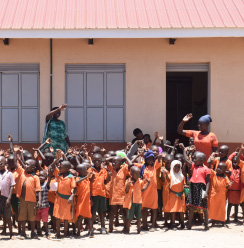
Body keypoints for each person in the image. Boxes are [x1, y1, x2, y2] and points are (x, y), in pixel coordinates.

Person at [180, 144, 210, 230]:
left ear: (201, 160)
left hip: (202, 188)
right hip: (193, 186)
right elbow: (185, 159)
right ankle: (189, 224)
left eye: (195, 158)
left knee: (204, 207)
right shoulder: (194, 166)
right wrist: (184, 150)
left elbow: (208, 182)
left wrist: (206, 193)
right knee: (192, 207)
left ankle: (206, 224)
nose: (193, 159)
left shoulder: (206, 169)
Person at [14, 154, 41, 239]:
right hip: (22, 199)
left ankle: (33, 232)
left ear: (33, 168)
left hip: (32, 200)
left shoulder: (35, 177)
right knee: (22, 217)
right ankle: (23, 232)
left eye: (27, 164)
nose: (25, 165)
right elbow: (15, 163)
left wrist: (39, 201)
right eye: (24, 164)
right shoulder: (22, 172)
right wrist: (15, 153)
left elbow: (38, 190)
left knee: (32, 217)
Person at [50, 151, 76, 238]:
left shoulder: (71, 177)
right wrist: (57, 158)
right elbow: (52, 166)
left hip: (66, 199)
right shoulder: (59, 175)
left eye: (61, 167)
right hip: (58, 198)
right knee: (57, 216)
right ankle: (58, 233)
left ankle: (65, 233)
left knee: (65, 217)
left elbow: (74, 188)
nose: (59, 168)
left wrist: (72, 197)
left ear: (67, 169)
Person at [107, 155, 132, 233]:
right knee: (111, 212)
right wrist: (113, 157)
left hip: (122, 195)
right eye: (113, 162)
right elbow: (106, 160)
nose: (113, 163)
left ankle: (126, 228)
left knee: (124, 212)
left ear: (121, 163)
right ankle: (110, 227)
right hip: (113, 195)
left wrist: (126, 158)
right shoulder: (112, 169)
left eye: (116, 162)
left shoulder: (124, 169)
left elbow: (131, 165)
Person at [124, 166, 150, 234]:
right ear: (131, 174)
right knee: (129, 217)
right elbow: (126, 191)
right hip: (131, 202)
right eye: (136, 174)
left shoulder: (140, 181)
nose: (138, 175)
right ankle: (127, 230)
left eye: (139, 174)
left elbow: (143, 189)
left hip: (138, 202)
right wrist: (128, 186)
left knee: (139, 217)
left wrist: (148, 183)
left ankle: (139, 230)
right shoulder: (128, 181)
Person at [89, 153, 111, 234]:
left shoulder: (104, 170)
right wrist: (93, 177)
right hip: (93, 194)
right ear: (92, 161)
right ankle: (91, 229)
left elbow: (105, 181)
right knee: (92, 212)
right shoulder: (90, 170)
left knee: (102, 212)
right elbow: (89, 181)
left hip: (102, 194)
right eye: (95, 160)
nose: (97, 162)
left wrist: (109, 176)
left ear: (101, 161)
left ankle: (103, 227)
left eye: (99, 160)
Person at [141, 150, 161, 231]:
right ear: (146, 159)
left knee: (154, 208)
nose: (150, 161)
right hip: (145, 191)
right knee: (144, 208)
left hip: (153, 191)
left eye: (152, 159)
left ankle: (153, 225)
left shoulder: (154, 166)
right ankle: (144, 224)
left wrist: (157, 155)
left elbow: (159, 159)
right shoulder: (143, 167)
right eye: (148, 159)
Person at [164, 160, 186, 230]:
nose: (176, 168)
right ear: (172, 167)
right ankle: (173, 224)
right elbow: (168, 179)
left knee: (181, 210)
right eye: (175, 167)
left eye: (178, 167)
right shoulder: (170, 175)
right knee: (173, 210)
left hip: (181, 195)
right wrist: (165, 173)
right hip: (173, 195)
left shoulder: (182, 176)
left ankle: (182, 223)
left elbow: (184, 184)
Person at [75, 163, 94, 238]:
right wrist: (86, 177)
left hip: (87, 200)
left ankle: (91, 230)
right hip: (81, 200)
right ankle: (78, 231)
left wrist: (91, 199)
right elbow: (76, 182)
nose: (87, 170)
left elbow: (88, 190)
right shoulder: (78, 178)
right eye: (85, 169)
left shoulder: (87, 179)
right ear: (80, 171)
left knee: (89, 216)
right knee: (80, 216)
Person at [0, 156, 15, 239]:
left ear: (5, 163)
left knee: (8, 216)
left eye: (1, 163)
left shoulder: (9, 174)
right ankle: (3, 231)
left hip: (5, 197)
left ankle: (11, 234)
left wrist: (9, 198)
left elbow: (12, 186)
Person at [36, 170, 52, 237]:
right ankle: (39, 230)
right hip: (37, 206)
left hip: (45, 205)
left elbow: (49, 181)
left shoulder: (46, 184)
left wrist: (50, 175)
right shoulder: (36, 184)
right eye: (39, 176)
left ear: (46, 177)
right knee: (37, 219)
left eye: (42, 176)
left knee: (45, 220)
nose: (40, 177)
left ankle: (47, 231)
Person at [226, 156, 241, 223]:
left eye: (236, 162)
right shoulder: (230, 170)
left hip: (238, 191)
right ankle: (228, 218)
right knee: (229, 204)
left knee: (236, 205)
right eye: (233, 162)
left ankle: (235, 218)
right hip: (231, 191)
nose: (235, 164)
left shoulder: (240, 170)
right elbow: (228, 158)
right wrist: (235, 153)